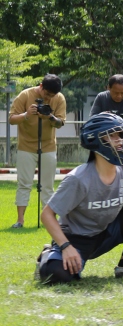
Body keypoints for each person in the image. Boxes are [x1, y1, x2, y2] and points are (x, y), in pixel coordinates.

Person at [35, 112, 123, 284]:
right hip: (76, 239)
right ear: (95, 140)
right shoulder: (78, 179)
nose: (120, 141)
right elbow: (47, 215)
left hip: (107, 233)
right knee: (55, 275)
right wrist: (66, 247)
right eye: (113, 136)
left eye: (122, 135)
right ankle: (48, 255)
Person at [9, 74, 67, 229]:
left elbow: (61, 122)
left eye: (52, 96)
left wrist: (49, 117)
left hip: (48, 146)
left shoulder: (59, 98)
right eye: (46, 94)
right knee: (24, 183)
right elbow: (12, 118)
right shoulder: (25, 95)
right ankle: (20, 220)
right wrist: (27, 114)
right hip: (26, 146)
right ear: (41, 86)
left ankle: (49, 220)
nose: (48, 98)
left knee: (47, 186)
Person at [90, 75, 123, 166]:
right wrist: (102, 116)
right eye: (116, 92)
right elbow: (92, 119)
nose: (119, 96)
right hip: (104, 149)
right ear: (108, 88)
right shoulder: (101, 98)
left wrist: (116, 129)